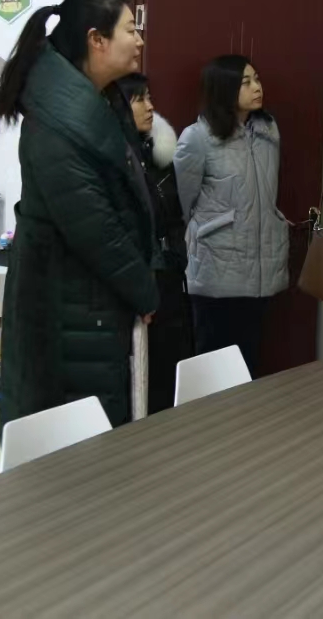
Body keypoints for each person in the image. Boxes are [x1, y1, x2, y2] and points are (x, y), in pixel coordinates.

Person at [0, 0, 158, 429]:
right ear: (96, 40)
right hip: (66, 302)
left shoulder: (102, 100)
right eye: (130, 30)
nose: (139, 40)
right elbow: (95, 227)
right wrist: (144, 290)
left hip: (92, 299)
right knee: (72, 436)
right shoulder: (56, 123)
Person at [174, 55, 289, 377]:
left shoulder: (268, 131)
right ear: (223, 88)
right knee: (213, 368)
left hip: (260, 269)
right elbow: (182, 203)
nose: (257, 87)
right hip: (217, 270)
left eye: (257, 79)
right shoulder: (198, 138)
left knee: (248, 364)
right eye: (245, 82)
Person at [116, 73, 192, 413]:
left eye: (150, 97)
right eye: (139, 99)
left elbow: (175, 213)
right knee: (141, 381)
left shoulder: (160, 153)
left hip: (170, 275)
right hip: (139, 280)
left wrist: (178, 252)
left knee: (169, 371)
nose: (150, 106)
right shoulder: (115, 158)